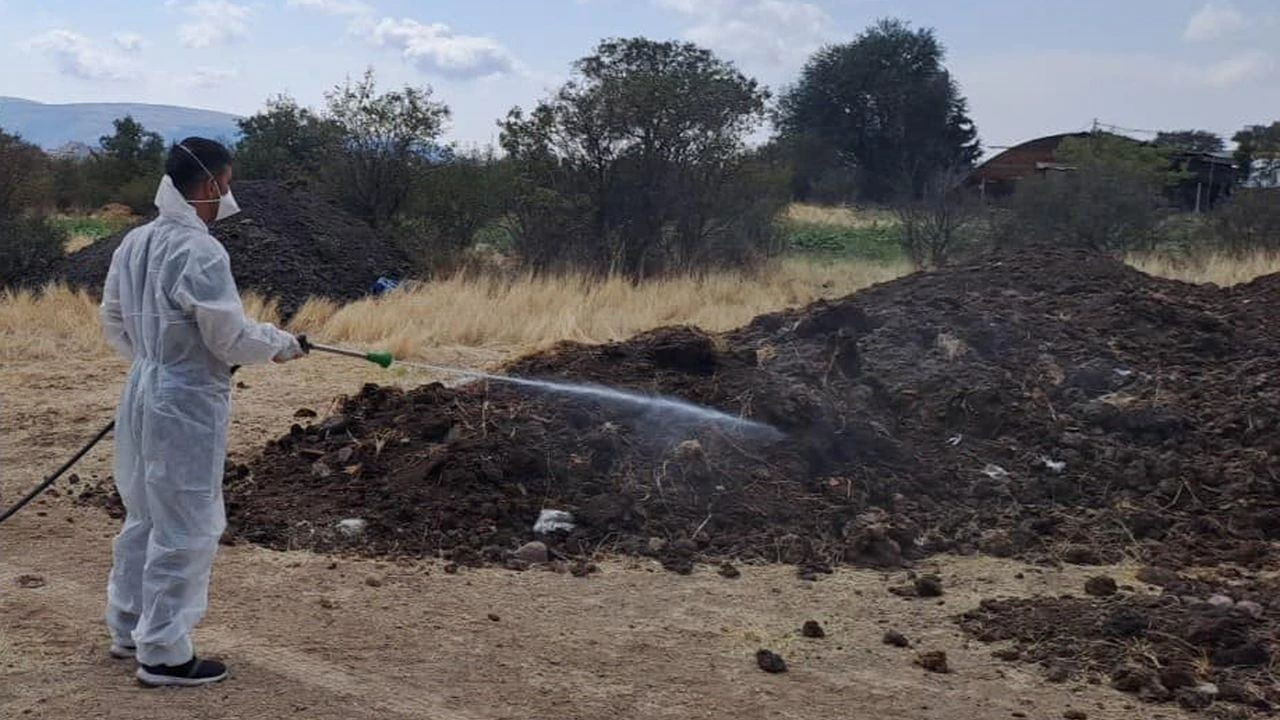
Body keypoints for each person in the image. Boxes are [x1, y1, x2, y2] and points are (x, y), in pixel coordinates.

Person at [100, 137, 304, 687]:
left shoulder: (135, 243)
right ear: (212, 183)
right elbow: (230, 336)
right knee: (187, 521)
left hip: (144, 388)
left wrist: (155, 360)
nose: (229, 192)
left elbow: (114, 321)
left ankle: (128, 627)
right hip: (184, 401)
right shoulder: (201, 250)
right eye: (228, 181)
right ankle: (164, 653)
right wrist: (280, 343)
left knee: (144, 512)